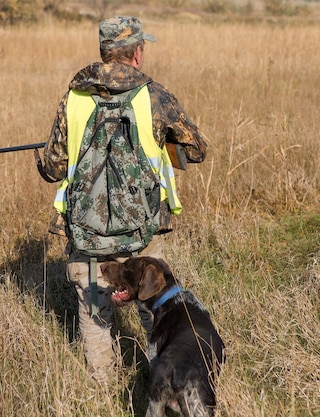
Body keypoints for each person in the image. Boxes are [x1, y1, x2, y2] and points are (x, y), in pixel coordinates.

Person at [35, 16, 209, 382]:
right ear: (138, 53)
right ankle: (156, 381)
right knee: (154, 310)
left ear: (104, 52)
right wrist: (165, 142)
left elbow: (53, 169)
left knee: (96, 316)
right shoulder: (155, 96)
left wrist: (43, 155)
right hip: (142, 231)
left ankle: (102, 391)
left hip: (87, 232)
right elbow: (196, 151)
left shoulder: (73, 99)